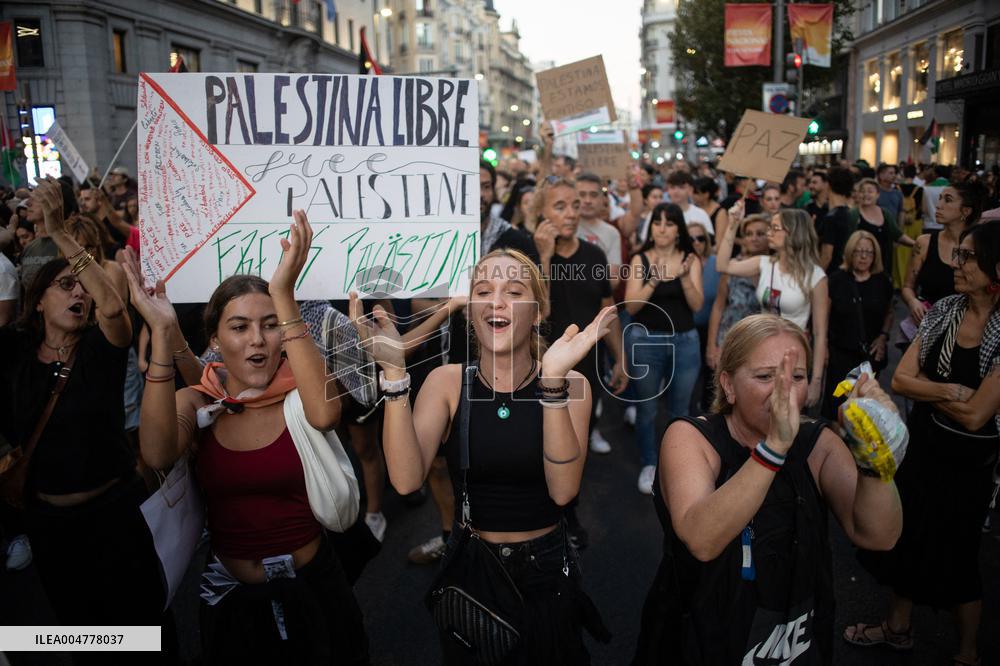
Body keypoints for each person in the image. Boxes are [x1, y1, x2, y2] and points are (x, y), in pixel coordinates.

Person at [128, 211, 368, 664]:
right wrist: (162, 334)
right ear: (215, 339)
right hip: (231, 601)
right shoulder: (201, 404)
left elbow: (325, 414)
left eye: (270, 323)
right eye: (239, 327)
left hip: (314, 588)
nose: (257, 339)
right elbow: (157, 451)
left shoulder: (303, 391)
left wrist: (284, 294)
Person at [352, 248, 612, 664]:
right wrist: (396, 376)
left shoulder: (573, 384)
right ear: (471, 309)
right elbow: (404, 480)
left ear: (539, 309)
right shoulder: (445, 382)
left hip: (546, 572)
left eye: (513, 291)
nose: (496, 301)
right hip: (472, 570)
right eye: (484, 290)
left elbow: (563, 492)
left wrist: (553, 384)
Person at [633, 314, 903, 665]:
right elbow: (701, 538)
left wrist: (875, 457)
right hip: (699, 635)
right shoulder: (690, 437)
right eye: (765, 376)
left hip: (790, 634)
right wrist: (774, 447)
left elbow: (880, 536)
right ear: (728, 385)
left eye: (797, 377)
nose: (784, 391)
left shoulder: (818, 442)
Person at [0, 179, 168, 639]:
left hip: (114, 516)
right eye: (65, 285)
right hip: (51, 527)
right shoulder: (14, 357)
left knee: (144, 631)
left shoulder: (98, 349)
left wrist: (60, 232)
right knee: (83, 632)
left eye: (82, 286)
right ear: (37, 303)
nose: (80, 294)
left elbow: (113, 307)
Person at [846, 221, 1000, 666]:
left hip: (971, 464)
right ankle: (896, 629)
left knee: (960, 553)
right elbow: (901, 380)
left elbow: (978, 417)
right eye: (960, 253)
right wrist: (951, 391)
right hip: (926, 447)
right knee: (907, 538)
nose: (958, 262)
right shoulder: (945, 309)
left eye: (969, 256)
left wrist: (931, 389)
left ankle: (968, 652)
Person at [532, 176, 627, 460]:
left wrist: (620, 357)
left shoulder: (594, 255)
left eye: (574, 205)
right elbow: (540, 312)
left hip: (588, 368)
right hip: (542, 369)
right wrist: (544, 259)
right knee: (544, 445)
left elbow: (606, 311)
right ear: (542, 214)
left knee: (577, 444)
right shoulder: (526, 256)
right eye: (560, 207)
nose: (572, 213)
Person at [624, 203, 703, 494]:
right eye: (657, 222)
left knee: (680, 409)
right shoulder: (640, 259)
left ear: (678, 228)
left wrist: (682, 276)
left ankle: (676, 463)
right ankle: (649, 463)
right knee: (646, 409)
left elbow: (696, 305)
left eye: (669, 223)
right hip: (645, 342)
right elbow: (631, 306)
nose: (661, 228)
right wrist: (654, 279)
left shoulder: (690, 260)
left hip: (685, 342)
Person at [718, 205, 828, 406]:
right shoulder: (764, 263)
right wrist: (732, 224)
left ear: (793, 233)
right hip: (761, 348)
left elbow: (821, 333)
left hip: (793, 356)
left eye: (775, 228)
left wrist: (816, 381)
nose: (769, 233)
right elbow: (723, 265)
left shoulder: (816, 276)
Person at [821, 231, 894, 420]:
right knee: (837, 406)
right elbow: (824, 315)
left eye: (868, 252)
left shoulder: (883, 281)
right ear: (850, 253)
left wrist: (883, 337)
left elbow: (889, 313)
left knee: (865, 408)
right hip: (839, 354)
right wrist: (823, 347)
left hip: (869, 356)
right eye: (858, 251)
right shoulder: (836, 279)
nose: (863, 256)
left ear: (875, 255)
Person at [902, 181, 985, 326]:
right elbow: (908, 286)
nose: (938, 205)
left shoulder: (977, 247)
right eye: (940, 198)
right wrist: (913, 301)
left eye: (948, 200)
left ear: (966, 211)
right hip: (925, 325)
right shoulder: (925, 243)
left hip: (962, 328)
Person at [706, 215, 769, 372]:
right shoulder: (732, 267)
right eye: (749, 234)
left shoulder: (777, 268)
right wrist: (711, 346)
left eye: (760, 234)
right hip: (730, 340)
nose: (754, 238)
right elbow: (718, 306)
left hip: (763, 342)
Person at [852, 178, 915, 278]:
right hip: (860, 265)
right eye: (862, 191)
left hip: (883, 264)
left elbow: (897, 234)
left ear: (878, 194)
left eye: (870, 191)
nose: (866, 194)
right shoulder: (853, 214)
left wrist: (915, 244)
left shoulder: (885, 213)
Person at [688, 221, 719, 414]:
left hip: (710, 327)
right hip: (685, 328)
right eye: (691, 239)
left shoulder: (716, 263)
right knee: (688, 375)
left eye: (700, 238)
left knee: (709, 374)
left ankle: (707, 412)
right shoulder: (680, 262)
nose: (696, 242)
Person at [575, 173, 623, 289]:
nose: (587, 200)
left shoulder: (612, 233)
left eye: (593, 195)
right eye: (582, 194)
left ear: (602, 199)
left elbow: (613, 281)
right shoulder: (563, 228)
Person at [818, 167, 856, 272]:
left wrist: (815, 280)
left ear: (829, 185)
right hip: (848, 271)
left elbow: (826, 256)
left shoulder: (831, 218)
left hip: (832, 274)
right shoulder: (851, 214)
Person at [895, 164, 925, 288]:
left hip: (900, 222)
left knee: (899, 254)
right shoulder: (920, 189)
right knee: (912, 254)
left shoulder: (897, 188)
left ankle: (898, 281)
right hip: (915, 224)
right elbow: (922, 209)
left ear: (903, 173)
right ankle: (910, 281)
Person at [664, 170, 714, 235]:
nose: (676, 191)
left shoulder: (700, 214)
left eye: (681, 187)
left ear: (690, 190)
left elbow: (709, 241)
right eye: (672, 187)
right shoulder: (661, 213)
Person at [693, 176, 729, 241]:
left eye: (696, 193)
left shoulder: (720, 212)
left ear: (706, 194)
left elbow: (719, 240)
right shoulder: (693, 209)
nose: (693, 196)